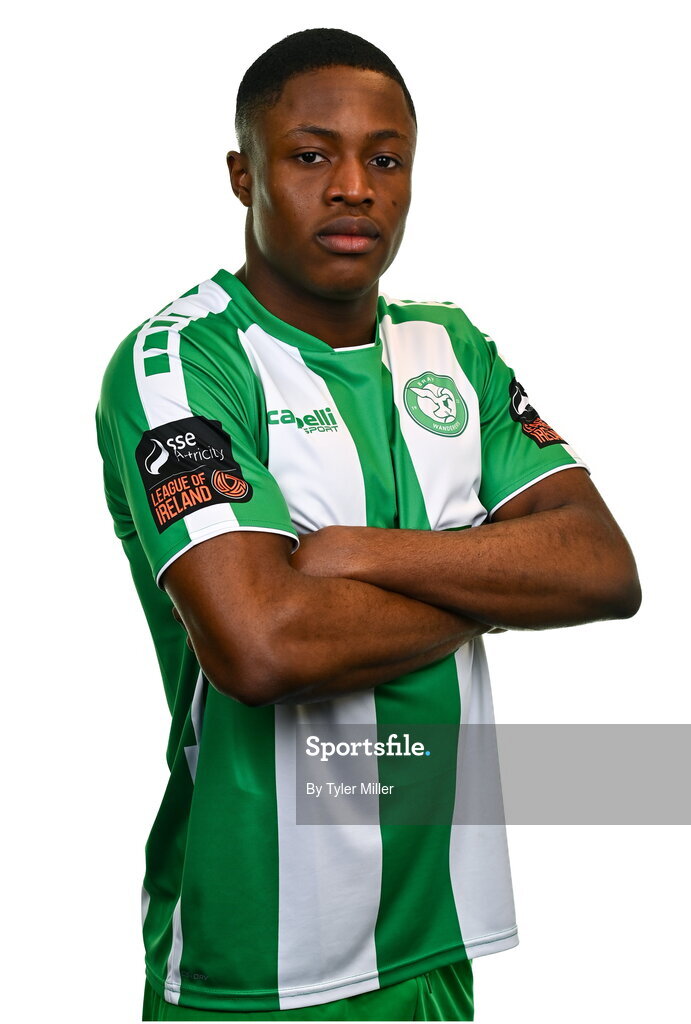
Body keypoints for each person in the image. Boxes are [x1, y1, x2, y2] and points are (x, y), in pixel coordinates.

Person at [96, 27, 641, 1023]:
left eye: (385, 159)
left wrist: (359, 556)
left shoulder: (452, 347)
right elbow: (264, 645)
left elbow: (602, 569)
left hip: (434, 930)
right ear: (242, 172)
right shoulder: (181, 361)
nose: (355, 185)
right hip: (256, 963)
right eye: (311, 155)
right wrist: (494, 580)